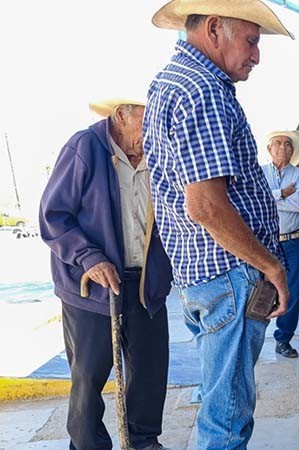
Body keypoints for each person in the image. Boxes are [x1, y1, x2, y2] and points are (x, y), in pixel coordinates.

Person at [143, 1, 293, 448]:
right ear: (214, 29)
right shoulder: (202, 89)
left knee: (219, 401)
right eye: (251, 41)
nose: (256, 55)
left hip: (205, 274)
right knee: (227, 419)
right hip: (230, 275)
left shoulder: (172, 82)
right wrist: (271, 266)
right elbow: (206, 206)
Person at [40, 98, 173, 450]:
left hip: (146, 283)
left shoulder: (161, 156)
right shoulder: (85, 147)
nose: (158, 131)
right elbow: (53, 217)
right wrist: (89, 258)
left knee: (149, 373)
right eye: (150, 121)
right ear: (121, 116)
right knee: (88, 379)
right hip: (92, 288)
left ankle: (144, 442)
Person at [262, 130, 299, 359]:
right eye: (278, 143)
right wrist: (282, 193)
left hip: (293, 241)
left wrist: (271, 199)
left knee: (292, 291)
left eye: (288, 144)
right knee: (258, 289)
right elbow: (255, 199)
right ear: (269, 149)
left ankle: (283, 339)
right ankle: (254, 337)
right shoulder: (259, 173)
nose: (283, 147)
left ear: (293, 150)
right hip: (264, 241)